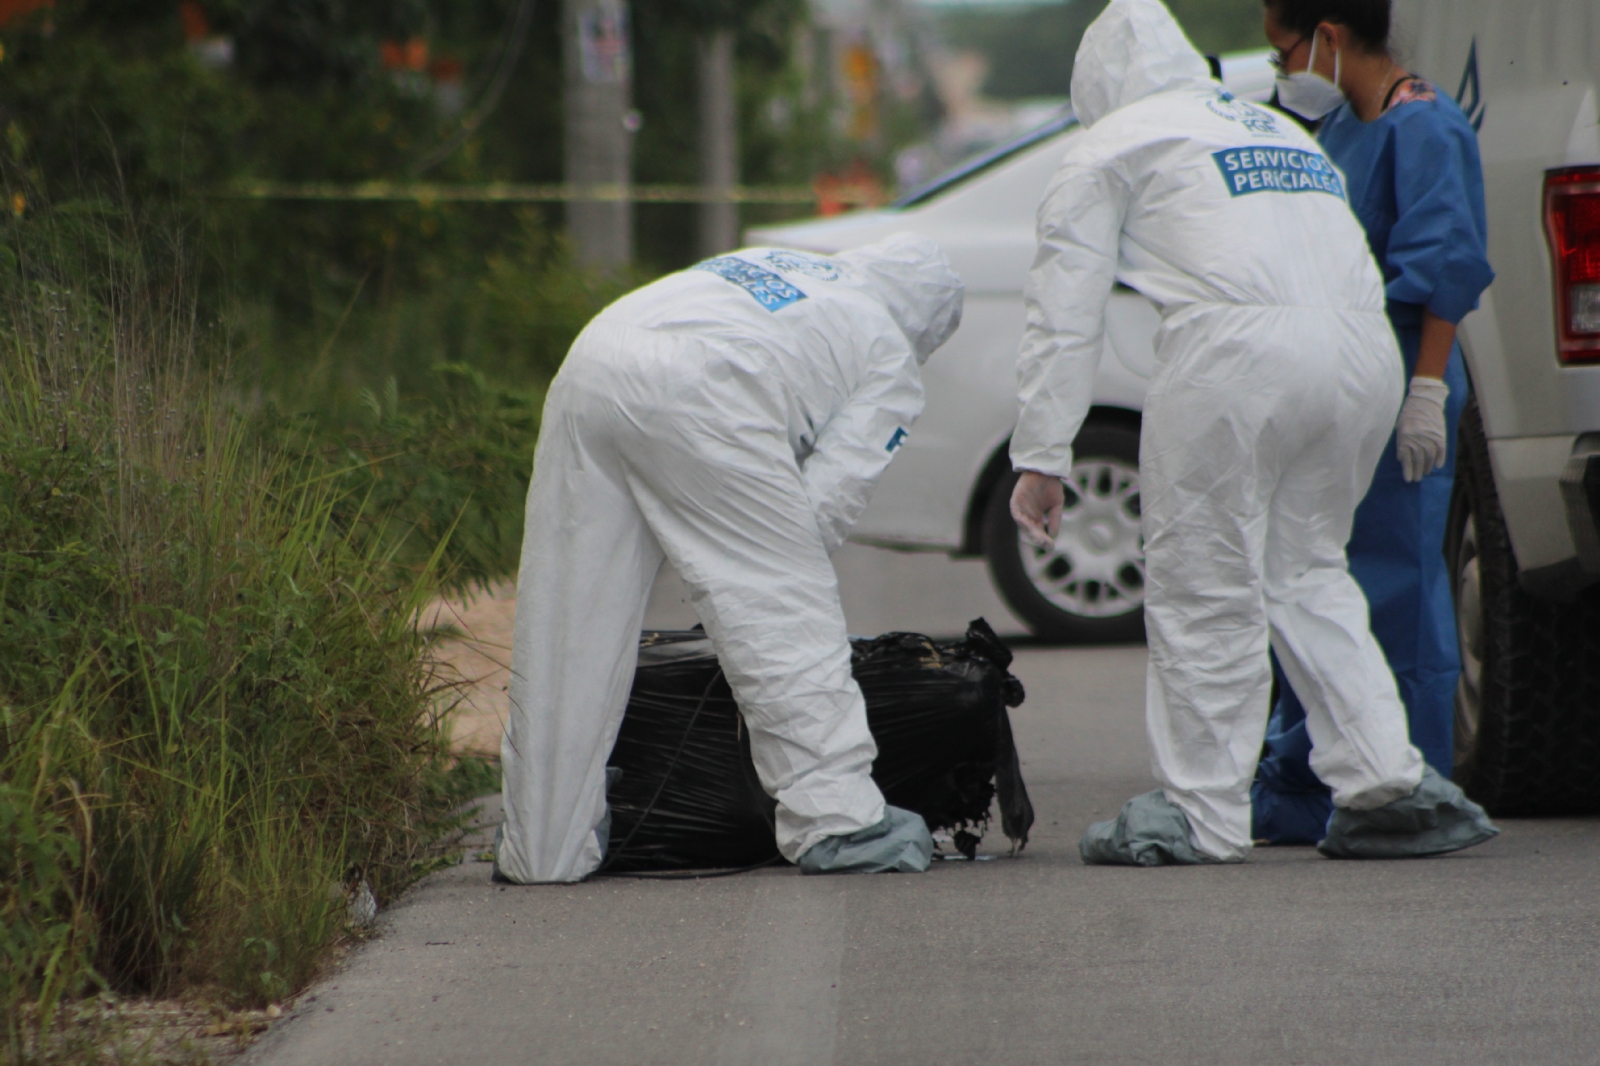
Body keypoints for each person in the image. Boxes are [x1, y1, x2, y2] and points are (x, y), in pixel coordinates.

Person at [1007, 0, 1498, 864]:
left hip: (1237, 357)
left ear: (1103, 95)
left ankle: (1202, 810)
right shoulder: (1271, 129)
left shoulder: (1111, 144)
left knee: (1205, 583)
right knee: (1307, 571)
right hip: (1360, 354)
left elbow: (1063, 315)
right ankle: (1384, 778)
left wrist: (1043, 456)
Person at [494, 235, 964, 884]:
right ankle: (839, 821)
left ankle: (541, 843)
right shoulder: (889, 351)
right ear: (928, 323)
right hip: (705, 386)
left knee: (569, 613)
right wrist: (750, 557)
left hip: (595, 356)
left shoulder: (782, 263)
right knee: (784, 599)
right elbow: (823, 506)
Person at [1252, 0, 1497, 844]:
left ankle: (1408, 778)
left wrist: (1427, 389)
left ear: (1329, 34)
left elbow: (1446, 262)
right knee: (1323, 573)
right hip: (1347, 371)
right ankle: (1314, 778)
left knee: (1398, 581)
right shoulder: (1347, 128)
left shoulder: (1422, 126)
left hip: (1402, 372)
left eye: (1283, 48)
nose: (1282, 68)